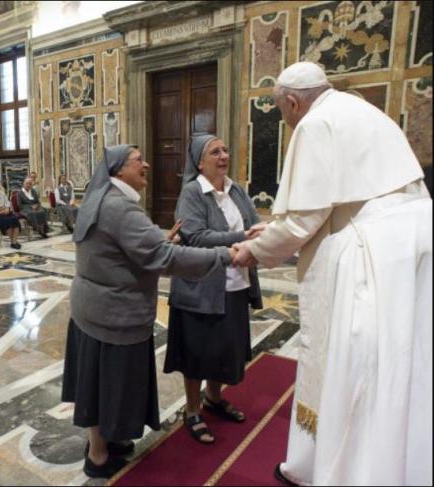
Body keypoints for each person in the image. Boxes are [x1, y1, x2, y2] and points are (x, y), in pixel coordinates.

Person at [231, 62, 432, 486]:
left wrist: (255, 249)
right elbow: (342, 200)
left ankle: (348, 472)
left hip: (373, 252)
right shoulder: (360, 110)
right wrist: (275, 229)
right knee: (403, 359)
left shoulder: (314, 123)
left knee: (359, 364)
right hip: (412, 239)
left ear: (291, 101)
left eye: (282, 113)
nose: (286, 123)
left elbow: (304, 222)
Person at [62, 144, 236, 478]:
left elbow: (118, 248)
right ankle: (98, 456)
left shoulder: (100, 198)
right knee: (106, 387)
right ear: (118, 170)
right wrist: (226, 256)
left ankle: (106, 443)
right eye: (138, 160)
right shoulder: (122, 209)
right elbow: (166, 260)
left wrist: (156, 241)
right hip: (114, 315)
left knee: (97, 383)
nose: (147, 164)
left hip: (91, 310)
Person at [165, 134, 266, 444]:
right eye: (215, 152)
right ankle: (193, 410)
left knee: (223, 348)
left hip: (235, 284)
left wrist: (255, 233)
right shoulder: (192, 192)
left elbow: (254, 222)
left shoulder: (236, 189)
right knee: (197, 351)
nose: (223, 155)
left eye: (225, 149)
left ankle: (213, 397)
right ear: (199, 161)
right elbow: (194, 236)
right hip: (200, 288)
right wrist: (240, 236)